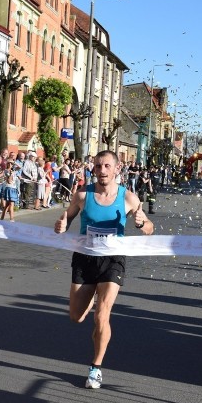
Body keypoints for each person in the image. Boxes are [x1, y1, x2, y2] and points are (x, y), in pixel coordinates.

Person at [54, 150, 154, 389]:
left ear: (117, 169)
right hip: (85, 258)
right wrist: (61, 224)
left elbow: (149, 227)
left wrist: (142, 223)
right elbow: (64, 221)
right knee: (76, 316)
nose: (102, 171)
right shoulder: (81, 195)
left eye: (107, 166)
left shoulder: (129, 197)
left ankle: (95, 368)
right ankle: (91, 306)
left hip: (113, 259)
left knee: (103, 313)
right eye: (98, 167)